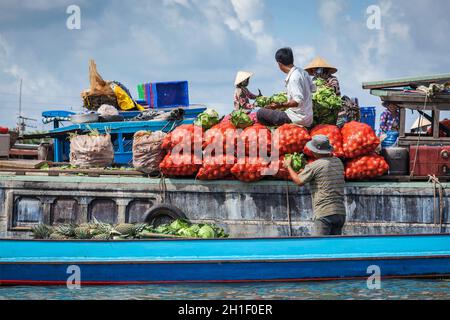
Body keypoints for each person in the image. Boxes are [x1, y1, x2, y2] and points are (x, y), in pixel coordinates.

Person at [283, 135, 346, 236]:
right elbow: (323, 173)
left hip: (324, 213)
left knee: (319, 246)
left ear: (315, 151)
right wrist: (305, 171)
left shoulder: (314, 166)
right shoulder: (338, 162)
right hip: (340, 213)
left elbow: (299, 181)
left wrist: (288, 166)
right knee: (334, 247)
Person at [257, 47, 316, 127]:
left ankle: (277, 130)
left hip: (297, 118)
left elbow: (297, 101)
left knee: (260, 113)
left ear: (279, 64)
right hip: (308, 117)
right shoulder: (303, 72)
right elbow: (313, 89)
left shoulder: (293, 77)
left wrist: (280, 105)